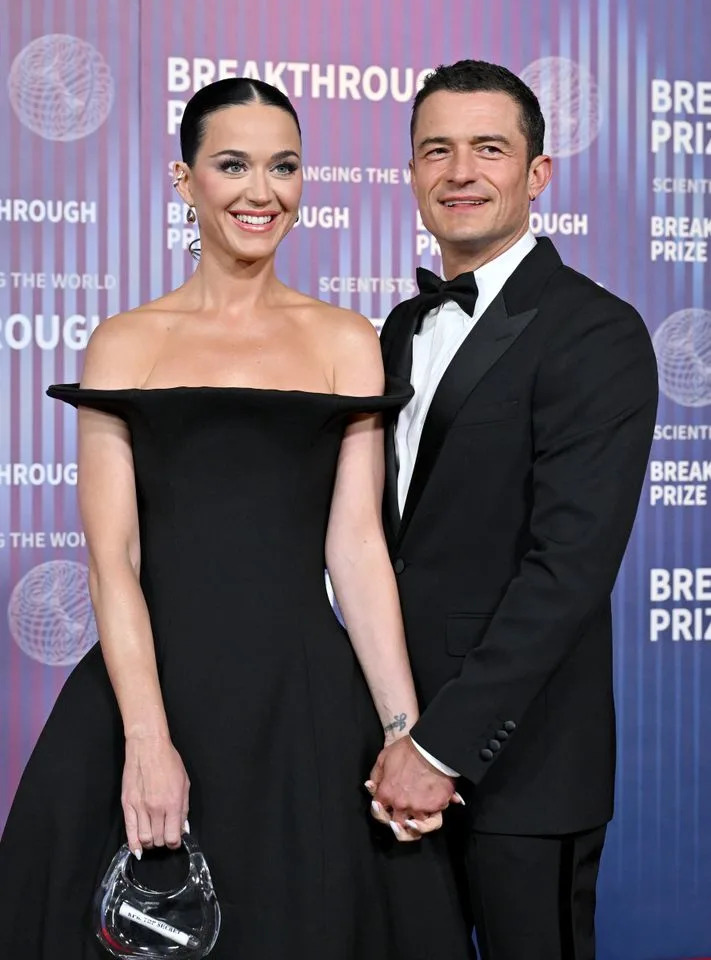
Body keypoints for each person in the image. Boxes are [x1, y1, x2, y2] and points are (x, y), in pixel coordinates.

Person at [0, 78, 474, 960]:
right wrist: (147, 742)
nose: (262, 191)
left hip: (302, 710)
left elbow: (357, 549)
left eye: (283, 166)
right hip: (150, 694)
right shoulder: (125, 343)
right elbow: (113, 561)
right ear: (185, 181)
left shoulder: (344, 342)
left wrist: (405, 735)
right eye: (233, 165)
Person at [369, 60, 658, 960]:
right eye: (436, 150)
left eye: (487, 149)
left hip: (521, 762)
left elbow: (565, 570)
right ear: (411, 173)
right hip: (384, 747)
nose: (459, 172)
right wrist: (392, 734)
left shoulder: (595, 332)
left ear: (536, 174)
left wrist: (440, 748)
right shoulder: (394, 331)